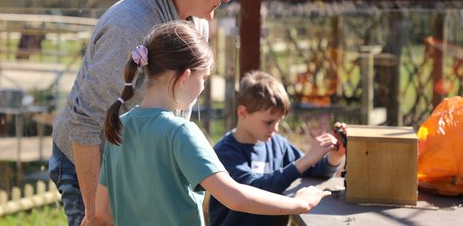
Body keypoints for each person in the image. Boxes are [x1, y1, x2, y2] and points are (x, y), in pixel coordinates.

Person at [49, 0, 262, 225]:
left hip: (131, 163)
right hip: (86, 162)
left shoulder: (197, 22)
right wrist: (96, 212)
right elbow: (84, 123)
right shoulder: (129, 28)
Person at [94, 21, 331, 225]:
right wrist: (299, 203)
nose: (204, 86)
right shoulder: (180, 132)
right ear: (185, 76)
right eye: (204, 78)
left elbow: (102, 212)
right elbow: (235, 197)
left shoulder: (119, 125)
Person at [209, 70, 346, 226]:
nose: (275, 129)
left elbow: (313, 172)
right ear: (243, 112)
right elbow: (255, 189)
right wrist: (305, 160)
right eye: (268, 122)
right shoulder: (225, 153)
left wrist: (334, 156)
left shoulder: (277, 144)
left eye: (279, 122)